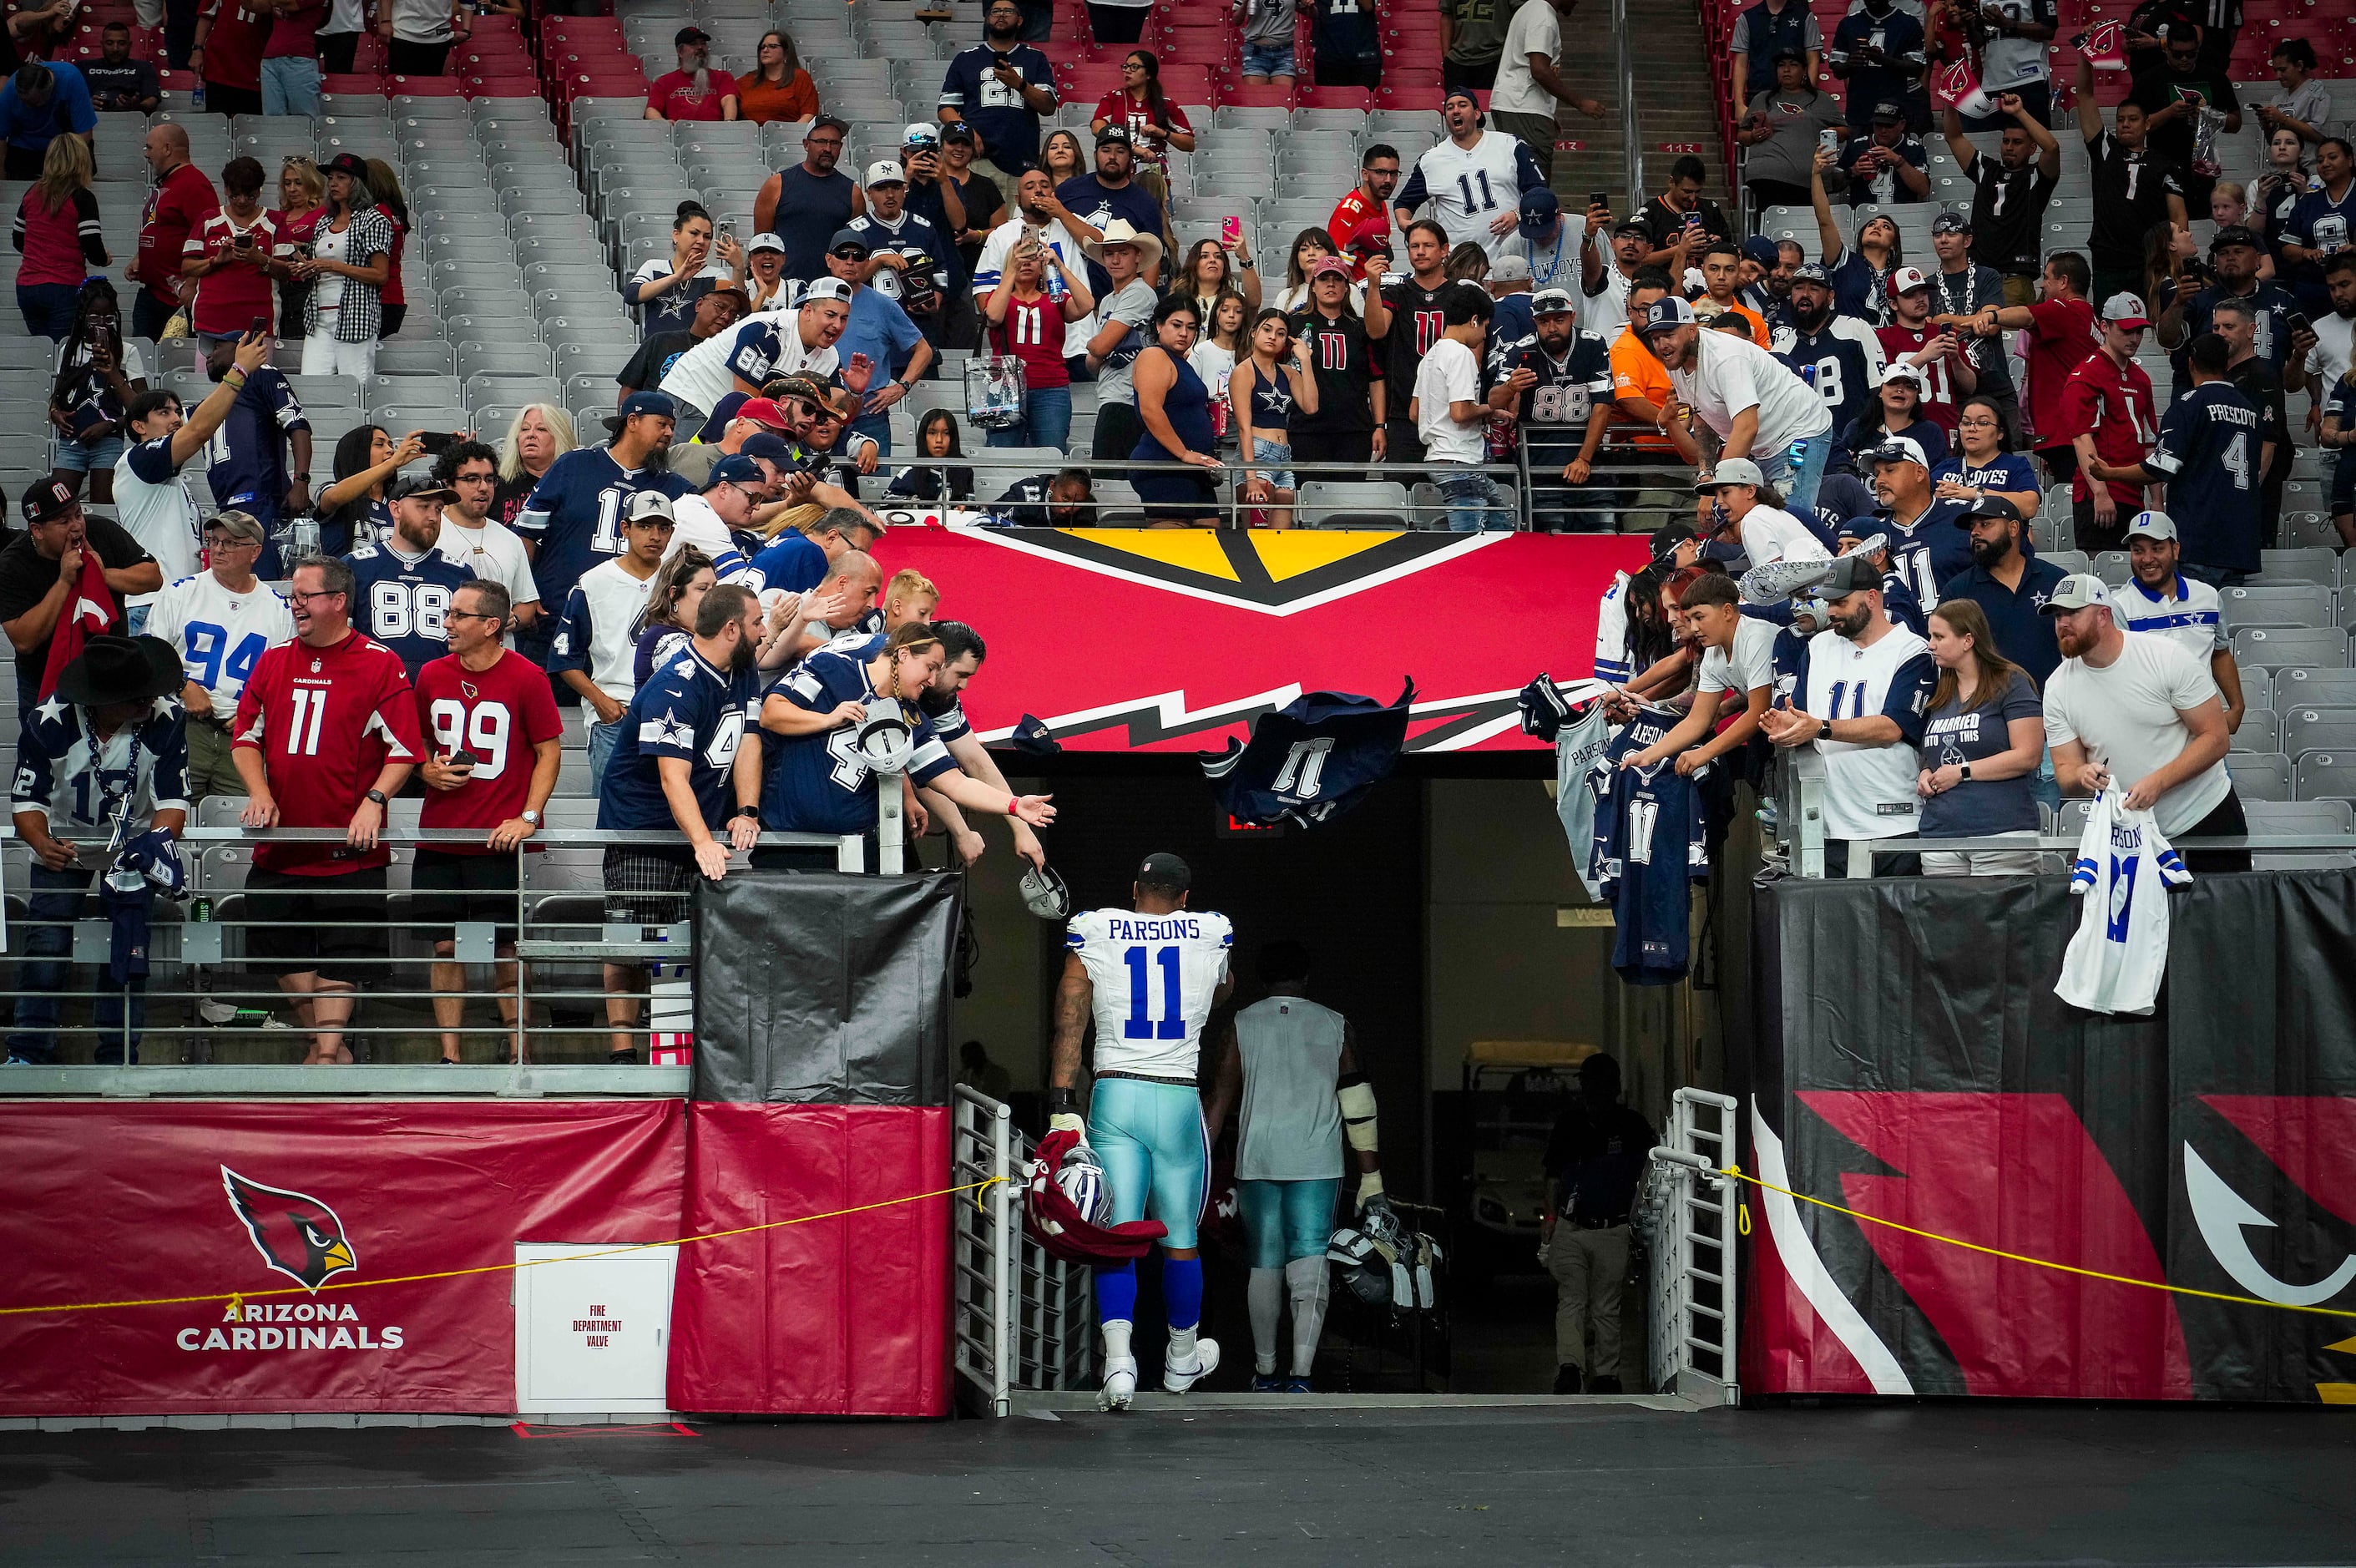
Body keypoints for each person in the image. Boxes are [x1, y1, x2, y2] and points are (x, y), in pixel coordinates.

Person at [1051, 851, 1232, 1409]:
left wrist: (1061, 1098)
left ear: (1134, 887)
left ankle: (1119, 1364)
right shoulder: (1210, 929)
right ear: (1184, 897)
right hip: (1177, 1094)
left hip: (1115, 1090)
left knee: (1121, 1232)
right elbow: (1222, 988)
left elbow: (1070, 1009)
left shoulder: (1095, 927)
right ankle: (1180, 1358)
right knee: (1181, 1239)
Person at [230, 554, 423, 1065]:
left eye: (305, 597)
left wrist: (374, 801)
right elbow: (245, 738)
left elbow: (405, 748)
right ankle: (327, 1047)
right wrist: (259, 791)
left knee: (344, 953)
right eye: (292, 597)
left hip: (350, 847)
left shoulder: (379, 663)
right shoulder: (273, 661)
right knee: (277, 951)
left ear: (338, 601)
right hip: (281, 843)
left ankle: (326, 1055)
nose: (295, 606)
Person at [1201, 939, 1384, 1393]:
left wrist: (1195, 1173)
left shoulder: (1243, 1023)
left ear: (1263, 980)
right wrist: (1372, 1176)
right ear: (1305, 978)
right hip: (1318, 1162)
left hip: (1257, 1159)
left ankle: (1265, 1372)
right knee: (1309, 1260)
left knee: (1264, 1262)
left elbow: (1217, 1106)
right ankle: (1301, 1374)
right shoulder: (1335, 1024)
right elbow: (1357, 1102)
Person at [594, 583, 767, 1059]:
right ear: (731, 629)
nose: (764, 631)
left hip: (698, 826)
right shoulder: (676, 684)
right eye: (756, 623)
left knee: (682, 945)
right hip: (642, 829)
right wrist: (702, 841)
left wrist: (747, 809)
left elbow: (748, 738)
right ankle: (622, 1051)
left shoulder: (743, 669)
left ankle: (670, 1048)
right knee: (631, 940)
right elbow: (673, 778)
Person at [5, 633, 189, 1065]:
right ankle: (29, 1052)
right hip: (62, 845)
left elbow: (173, 801)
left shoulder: (166, 717)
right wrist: (41, 842)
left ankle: (119, 1055)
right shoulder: (49, 720)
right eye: (135, 699)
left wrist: (153, 845)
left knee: (126, 949)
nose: (147, 703)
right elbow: (25, 801)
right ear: (100, 700)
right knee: (46, 946)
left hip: (134, 847)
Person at [412, 577, 561, 1064]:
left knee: (507, 950)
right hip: (440, 834)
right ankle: (449, 1055)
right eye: (449, 613)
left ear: (491, 625)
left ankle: (520, 1052)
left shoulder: (527, 676)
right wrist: (427, 769)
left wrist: (528, 816)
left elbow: (548, 752)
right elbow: (414, 747)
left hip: (498, 839)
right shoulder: (431, 673)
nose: (447, 623)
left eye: (459, 615)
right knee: (443, 947)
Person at [759, 618, 1055, 847]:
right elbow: (771, 714)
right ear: (903, 654)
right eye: (930, 667)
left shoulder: (913, 718)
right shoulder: (832, 666)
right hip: (787, 836)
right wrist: (828, 718)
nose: (933, 680)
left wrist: (1014, 805)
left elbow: (955, 783)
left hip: (854, 847)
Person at [2040, 574, 2247, 873]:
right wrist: (2082, 773)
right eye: (2057, 615)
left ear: (2103, 615)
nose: (2062, 623)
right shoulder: (2057, 686)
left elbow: (2216, 738)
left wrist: (2159, 782)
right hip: (2129, 835)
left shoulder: (2166, 656)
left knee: (2226, 919)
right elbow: (2065, 770)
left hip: (2205, 817)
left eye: (2073, 613)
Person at [1761, 554, 1939, 874]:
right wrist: (1787, 725)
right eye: (1828, 602)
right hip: (1827, 826)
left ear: (1872, 598)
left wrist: (1820, 728)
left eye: (1841, 602)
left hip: (1892, 822)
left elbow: (1892, 727)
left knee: (1893, 924)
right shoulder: (1818, 647)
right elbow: (1801, 715)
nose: (1831, 611)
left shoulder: (1912, 650)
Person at [513, 392, 692, 645]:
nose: (669, 434)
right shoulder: (574, 465)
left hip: (627, 621)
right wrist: (525, 594)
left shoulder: (674, 487)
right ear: (632, 422)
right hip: (557, 613)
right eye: (662, 424)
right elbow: (526, 533)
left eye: (672, 427)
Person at [113, 342, 270, 630]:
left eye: (176, 411)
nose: (175, 419)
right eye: (163, 413)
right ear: (138, 426)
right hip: (150, 605)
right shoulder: (135, 460)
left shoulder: (174, 485)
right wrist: (239, 370)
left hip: (178, 603)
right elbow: (198, 430)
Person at [144, 509, 291, 800]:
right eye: (214, 541)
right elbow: (148, 654)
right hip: (183, 726)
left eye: (232, 543)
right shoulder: (180, 593)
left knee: (235, 828)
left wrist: (256, 713)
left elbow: (285, 679)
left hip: (243, 736)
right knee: (173, 815)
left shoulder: (279, 610)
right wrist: (183, 687)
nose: (219, 549)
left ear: (255, 552)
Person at [1641, 296, 1834, 516]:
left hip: (1800, 432)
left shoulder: (1725, 357)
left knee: (1791, 521)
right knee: (1758, 522)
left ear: (1692, 330)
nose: (1662, 345)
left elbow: (1746, 427)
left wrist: (1714, 490)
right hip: (1762, 447)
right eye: (1655, 338)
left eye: (1668, 335)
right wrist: (1707, 477)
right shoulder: (1675, 364)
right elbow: (1703, 418)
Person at [2093, 333, 2262, 584]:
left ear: (2191, 363)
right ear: (2227, 364)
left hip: (2199, 538)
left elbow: (2159, 468)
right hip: (2240, 542)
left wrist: (2110, 474)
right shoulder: (2251, 410)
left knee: (2193, 620)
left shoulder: (2188, 405)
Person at [1539, 1052, 1656, 1394]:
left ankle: (1605, 1374)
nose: (1592, 1090)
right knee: (1574, 1300)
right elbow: (1552, 1177)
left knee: (1605, 1306)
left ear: (1614, 1087)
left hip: (1613, 1228)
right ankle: (1571, 1368)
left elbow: (1650, 1174)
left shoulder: (1632, 1127)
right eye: (1588, 1083)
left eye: (1598, 1083)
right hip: (1572, 1227)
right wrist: (1549, 1220)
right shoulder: (1569, 1125)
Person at [1914, 598, 2045, 875]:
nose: (1931, 644)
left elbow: (2029, 755)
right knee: (1944, 919)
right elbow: (1931, 751)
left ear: (1968, 640)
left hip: (2001, 832)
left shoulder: (2011, 683)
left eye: (1939, 636)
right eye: (1930, 636)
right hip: (1941, 834)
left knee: (2001, 918)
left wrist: (1962, 772)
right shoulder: (1940, 693)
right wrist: (1926, 772)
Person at [553, 491, 674, 781]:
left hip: (670, 710)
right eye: (645, 526)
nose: (654, 536)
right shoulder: (594, 581)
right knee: (611, 814)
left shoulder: (679, 580)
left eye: (663, 527)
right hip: (616, 711)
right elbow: (564, 658)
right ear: (625, 528)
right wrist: (601, 702)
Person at [1485, 286, 1612, 531]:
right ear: (1534, 322)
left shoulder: (1593, 344)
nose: (1552, 328)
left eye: (1559, 319)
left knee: (1603, 536)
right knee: (1552, 540)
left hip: (1590, 461)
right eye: (1544, 321)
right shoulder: (1521, 349)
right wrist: (1511, 386)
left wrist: (1583, 458)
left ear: (1573, 317)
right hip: (1539, 465)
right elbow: (1493, 401)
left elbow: (1602, 406)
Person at [2075, 56, 2188, 306]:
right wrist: (2086, 55)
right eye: (2120, 119)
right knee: (2108, 328)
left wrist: (2175, 260)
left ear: (2147, 124)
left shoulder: (2165, 164)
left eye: (2133, 119)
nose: (2125, 124)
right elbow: (2084, 96)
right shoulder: (2105, 150)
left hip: (2148, 261)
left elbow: (2178, 216)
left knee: (2149, 330)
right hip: (2108, 260)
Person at [1974, 250, 2096, 482]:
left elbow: (2027, 316)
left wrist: (1992, 316)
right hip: (2078, 430)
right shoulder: (2092, 319)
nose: (2042, 285)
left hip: (2067, 431)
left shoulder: (2064, 309)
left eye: (2047, 278)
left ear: (2063, 282)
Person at [344, 473, 476, 679]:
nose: (433, 517)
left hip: (441, 692)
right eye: (423, 506)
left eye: (438, 509)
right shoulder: (355, 566)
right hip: (372, 690)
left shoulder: (460, 573)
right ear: (396, 509)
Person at [2055, 294, 2160, 551]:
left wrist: (2157, 499)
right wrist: (2100, 493)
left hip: (2134, 494)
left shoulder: (2141, 379)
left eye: (2139, 331)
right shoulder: (2086, 375)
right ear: (2104, 327)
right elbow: (2082, 437)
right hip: (2101, 495)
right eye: (2126, 330)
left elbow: (2148, 442)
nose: (2134, 338)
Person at [195, 336, 311, 570]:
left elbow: (298, 426)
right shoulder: (212, 402)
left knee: (263, 584)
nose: (209, 355)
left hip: (261, 502)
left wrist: (301, 482)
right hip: (227, 509)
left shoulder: (262, 375)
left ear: (240, 347)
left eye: (217, 347)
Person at [1394, 89, 1547, 260]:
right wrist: (1404, 222)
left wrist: (1517, 215)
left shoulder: (1509, 144)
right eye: (1450, 108)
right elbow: (1404, 203)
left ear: (1477, 113)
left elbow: (1538, 191)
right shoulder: (1431, 160)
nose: (1456, 111)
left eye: (1462, 105)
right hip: (1459, 262)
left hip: (1512, 256)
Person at [1938, 491, 2066, 695]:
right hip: (1988, 712)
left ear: (2013, 528)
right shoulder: (1958, 591)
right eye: (1972, 527)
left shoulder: (2055, 580)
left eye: (1985, 524)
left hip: (2053, 707)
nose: (1975, 532)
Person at [1942, 92, 2060, 306]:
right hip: (1979, 277)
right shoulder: (1986, 170)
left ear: (2032, 148)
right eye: (2006, 141)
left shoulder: (2037, 177)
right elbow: (1954, 137)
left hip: (2014, 280)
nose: (2009, 146)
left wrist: (2019, 112)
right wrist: (1950, 101)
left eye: (2017, 142)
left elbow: (2052, 147)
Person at [983, 228, 1092, 452]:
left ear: (1042, 266)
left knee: (1051, 455)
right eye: (1021, 258)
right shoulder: (999, 296)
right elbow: (993, 316)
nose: (1026, 263)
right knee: (1002, 457)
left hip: (1051, 389)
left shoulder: (1054, 298)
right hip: (1005, 389)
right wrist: (1010, 271)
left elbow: (1086, 305)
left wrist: (1059, 266)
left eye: (1033, 258)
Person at [1408, 287, 1503, 531]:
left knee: (1502, 525)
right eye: (1485, 327)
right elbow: (1460, 413)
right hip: (1460, 462)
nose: (1484, 336)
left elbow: (1415, 413)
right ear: (1474, 320)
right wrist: (1489, 409)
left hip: (1438, 457)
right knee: (1470, 542)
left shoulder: (1430, 356)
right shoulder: (1461, 354)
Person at [291, 154, 392, 381]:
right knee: (312, 383)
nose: (333, 183)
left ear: (357, 183)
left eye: (341, 177)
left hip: (354, 314)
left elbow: (380, 274)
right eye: (330, 178)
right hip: (318, 316)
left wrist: (333, 265)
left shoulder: (373, 220)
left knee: (355, 384)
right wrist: (307, 268)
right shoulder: (325, 221)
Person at [937, 0, 1059, 185]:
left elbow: (1048, 106)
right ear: (987, 19)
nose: (1001, 15)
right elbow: (945, 108)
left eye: (1008, 11)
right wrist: (968, 132)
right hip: (978, 159)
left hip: (1021, 159)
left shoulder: (1035, 58)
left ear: (1019, 20)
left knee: (1018, 214)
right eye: (995, 11)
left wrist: (1019, 84)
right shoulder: (966, 59)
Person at [2123, 26, 2240, 217]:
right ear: (2166, 49)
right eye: (2178, 55)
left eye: (2191, 54)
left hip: (2201, 171)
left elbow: (2236, 123)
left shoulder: (2215, 77)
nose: (2185, 59)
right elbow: (2134, 127)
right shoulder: (2149, 80)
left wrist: (2210, 117)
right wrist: (2169, 113)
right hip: (2161, 169)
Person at [45, 282, 144, 507]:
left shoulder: (127, 351)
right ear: (82, 316)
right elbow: (58, 395)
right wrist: (54, 411)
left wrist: (109, 425)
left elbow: (143, 409)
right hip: (72, 441)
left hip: (108, 441)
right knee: (58, 506)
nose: (102, 324)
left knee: (104, 510)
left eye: (109, 318)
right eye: (94, 317)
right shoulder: (69, 349)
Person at [1489, 0, 1606, 185]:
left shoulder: (1531, 8)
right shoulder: (1543, 16)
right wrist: (1580, 103)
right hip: (1524, 106)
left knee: (1519, 179)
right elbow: (1540, 70)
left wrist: (1546, 112)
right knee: (1536, 184)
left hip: (1519, 105)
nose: (1577, 2)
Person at [1127, 295, 1222, 524]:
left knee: (1210, 533)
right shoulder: (1154, 355)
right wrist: (1183, 453)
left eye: (1191, 327)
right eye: (1176, 325)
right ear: (1159, 325)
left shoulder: (1182, 362)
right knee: (1172, 539)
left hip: (1194, 468)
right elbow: (1150, 409)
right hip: (1164, 464)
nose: (1184, 333)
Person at [1287, 255, 1384, 473]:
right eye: (1323, 279)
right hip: (1306, 430)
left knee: (1348, 500)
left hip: (1354, 431)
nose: (1330, 284)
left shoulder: (1361, 328)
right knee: (1309, 498)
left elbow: (1376, 379)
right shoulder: (1295, 324)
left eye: (1337, 279)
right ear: (1312, 287)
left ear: (1347, 288)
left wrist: (1379, 426)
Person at [848, 161, 955, 356]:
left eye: (896, 187)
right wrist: (879, 262)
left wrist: (935, 299)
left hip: (918, 328)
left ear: (905, 190)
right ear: (869, 193)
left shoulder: (923, 228)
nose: (890, 195)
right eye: (881, 188)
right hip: (871, 329)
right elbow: (846, 279)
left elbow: (940, 270)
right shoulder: (855, 231)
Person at [1772, 261, 1888, 438]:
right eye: (1799, 288)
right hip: (1804, 447)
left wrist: (1860, 437)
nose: (1805, 294)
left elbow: (1879, 389)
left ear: (1830, 296)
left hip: (1855, 444)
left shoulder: (1856, 330)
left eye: (1814, 289)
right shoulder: (1780, 350)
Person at [1080, 220, 1164, 462]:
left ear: (1138, 256)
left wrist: (1095, 345)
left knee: (1111, 479)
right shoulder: (1107, 301)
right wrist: (1098, 349)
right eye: (1109, 254)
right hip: (1111, 395)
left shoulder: (1139, 292)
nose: (1115, 260)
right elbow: (1092, 363)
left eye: (1123, 253)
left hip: (1127, 398)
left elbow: (1099, 348)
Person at [11, 135, 105, 340]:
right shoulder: (83, 198)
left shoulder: (31, 193)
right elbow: (93, 247)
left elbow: (19, 240)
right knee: (62, 353)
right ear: (82, 161)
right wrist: (105, 259)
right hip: (64, 286)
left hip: (27, 286)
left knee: (44, 350)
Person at [1231, 309, 1317, 530]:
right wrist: (1250, 476)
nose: (1273, 337)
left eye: (1280, 333)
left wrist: (1305, 360)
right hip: (1257, 454)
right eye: (1267, 330)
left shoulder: (1288, 373)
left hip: (1284, 456)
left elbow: (1311, 406)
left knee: (1281, 537)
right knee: (1258, 534)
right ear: (1253, 332)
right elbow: (1243, 427)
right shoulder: (1244, 371)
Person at [751, 114, 862, 287]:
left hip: (831, 289)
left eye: (834, 143)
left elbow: (856, 247)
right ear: (806, 144)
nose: (828, 148)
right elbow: (761, 242)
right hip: (785, 289)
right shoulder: (777, 185)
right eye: (821, 141)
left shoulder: (852, 192)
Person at [180, 156, 280, 348]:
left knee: (258, 378)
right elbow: (187, 267)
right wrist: (216, 261)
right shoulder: (208, 219)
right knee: (208, 378)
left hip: (258, 325)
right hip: (211, 324)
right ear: (226, 189)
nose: (242, 201)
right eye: (235, 195)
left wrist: (260, 260)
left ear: (259, 190)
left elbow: (287, 271)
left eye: (249, 195)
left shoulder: (274, 221)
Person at [130, 124, 215, 343]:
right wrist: (141, 257)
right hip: (153, 293)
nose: (147, 154)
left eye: (150, 148)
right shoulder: (168, 182)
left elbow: (209, 239)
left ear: (167, 149)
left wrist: (192, 284)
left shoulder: (195, 185)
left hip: (177, 299)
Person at [1738, 48, 1847, 214]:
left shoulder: (1820, 99)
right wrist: (1753, 135)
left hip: (1809, 179)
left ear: (1804, 70)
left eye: (1793, 65)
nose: (1786, 70)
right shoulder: (1763, 98)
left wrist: (1832, 132)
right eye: (1781, 65)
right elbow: (1742, 136)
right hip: (1767, 175)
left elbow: (1845, 131)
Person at [618, 286, 746, 406]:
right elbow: (629, 388)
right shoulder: (661, 341)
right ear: (699, 305)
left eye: (734, 314)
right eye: (720, 307)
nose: (726, 317)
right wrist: (624, 426)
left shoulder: (729, 354)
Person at [1091, 49, 1195, 196]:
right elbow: (1097, 128)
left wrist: (1163, 133)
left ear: (1149, 74)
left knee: (1158, 217)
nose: (1127, 71)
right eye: (1125, 67)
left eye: (1134, 67)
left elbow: (1189, 144)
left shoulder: (1166, 104)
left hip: (1154, 178)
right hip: (1118, 176)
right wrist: (1132, 147)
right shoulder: (1115, 98)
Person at [627, 201, 734, 339]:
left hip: (696, 353)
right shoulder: (653, 267)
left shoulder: (715, 275)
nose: (701, 241)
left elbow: (731, 309)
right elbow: (631, 295)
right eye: (694, 233)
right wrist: (675, 278)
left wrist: (738, 268)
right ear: (676, 235)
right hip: (656, 352)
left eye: (707, 237)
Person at [315, 424, 418, 555]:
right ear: (357, 453)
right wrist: (391, 463)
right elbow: (333, 498)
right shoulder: (330, 490)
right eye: (380, 444)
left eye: (391, 445)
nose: (390, 451)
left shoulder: (397, 504)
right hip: (343, 575)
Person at [1828, 0, 1927, 132]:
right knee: (1859, 151)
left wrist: (1883, 60)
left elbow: (1917, 69)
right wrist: (1850, 64)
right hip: (1859, 110)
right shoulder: (1849, 23)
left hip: (1895, 110)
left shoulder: (1908, 23)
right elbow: (1838, 71)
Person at [1934, 395, 2041, 518]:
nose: (1972, 429)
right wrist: (1934, 501)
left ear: (2000, 433)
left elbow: (2029, 507)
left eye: (1982, 423)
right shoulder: (1943, 468)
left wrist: (1976, 493)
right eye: (1966, 423)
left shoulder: (2015, 465)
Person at [2279, 137, 2354, 310]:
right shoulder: (2308, 202)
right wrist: (2306, 252)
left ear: (2349, 160)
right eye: (2320, 160)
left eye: (2332, 157)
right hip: (2312, 288)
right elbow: (2287, 248)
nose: (2325, 164)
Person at [0, 61, 94, 182]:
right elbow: (1, 139)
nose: (28, 107)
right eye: (24, 102)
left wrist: (71, 169)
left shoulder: (71, 79)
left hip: (65, 147)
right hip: (24, 149)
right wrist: (2, 180)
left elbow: (84, 133)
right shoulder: (10, 91)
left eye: (34, 103)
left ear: (50, 91)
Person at [1729, 0, 1822, 119]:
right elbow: (1740, 63)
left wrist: (1808, 98)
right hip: (1757, 95)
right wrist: (1739, 105)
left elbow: (1813, 60)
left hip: (1796, 98)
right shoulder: (1747, 18)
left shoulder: (1805, 16)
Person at [1838, 99, 1931, 208]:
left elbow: (1924, 190)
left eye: (1889, 126)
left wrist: (1899, 162)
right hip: (1863, 214)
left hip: (1903, 212)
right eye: (1878, 125)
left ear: (1902, 124)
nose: (1883, 130)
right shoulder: (1857, 146)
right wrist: (1852, 172)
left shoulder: (1914, 149)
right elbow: (1833, 185)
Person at [1327, 145, 1402, 269]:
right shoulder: (1348, 213)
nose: (1388, 180)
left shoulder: (1380, 202)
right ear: (1365, 174)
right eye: (1381, 172)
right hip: (1360, 287)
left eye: (1393, 173)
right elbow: (1336, 267)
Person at [644, 26, 737, 123]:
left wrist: (729, 123)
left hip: (716, 134)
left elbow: (728, 100)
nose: (700, 47)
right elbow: (651, 110)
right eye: (693, 44)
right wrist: (663, 123)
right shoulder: (664, 82)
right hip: (680, 135)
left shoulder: (723, 77)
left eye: (703, 43)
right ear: (680, 52)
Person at [2255, 38, 2334, 151]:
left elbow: (2320, 137)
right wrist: (2268, 127)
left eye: (2283, 70)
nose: (2278, 75)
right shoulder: (2277, 99)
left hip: (2309, 163)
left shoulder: (2317, 93)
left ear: (2299, 66)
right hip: (2284, 164)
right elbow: (2273, 142)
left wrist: (2283, 119)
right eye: (2275, 70)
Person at [889, 411, 978, 508]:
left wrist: (964, 508)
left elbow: (972, 507)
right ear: (923, 437)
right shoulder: (910, 472)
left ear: (953, 438)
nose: (939, 440)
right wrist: (911, 503)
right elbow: (885, 502)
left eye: (946, 433)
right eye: (932, 433)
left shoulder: (964, 469)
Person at [259, 0, 325, 118]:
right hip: (270, 59)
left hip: (299, 60)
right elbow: (252, 5)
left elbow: (290, 4)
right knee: (272, 122)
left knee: (304, 122)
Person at [736, 29, 817, 125]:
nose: (765, 50)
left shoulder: (800, 77)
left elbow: (808, 114)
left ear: (786, 53)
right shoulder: (745, 81)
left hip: (790, 136)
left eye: (772, 46)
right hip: (749, 137)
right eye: (762, 47)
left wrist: (793, 134)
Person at [83, 23, 161, 114]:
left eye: (121, 43)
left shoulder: (144, 67)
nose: (115, 49)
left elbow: (152, 100)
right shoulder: (84, 67)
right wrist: (85, 104)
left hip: (131, 120)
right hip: (90, 119)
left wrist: (136, 107)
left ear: (130, 45)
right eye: (109, 43)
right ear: (102, 44)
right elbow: (69, 98)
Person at [378, 0, 468, 78]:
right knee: (402, 87)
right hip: (403, 34)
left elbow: (468, 2)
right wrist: (386, 21)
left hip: (438, 38)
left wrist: (466, 30)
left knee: (429, 88)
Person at [1304, 0, 1382, 89]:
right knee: (1331, 101)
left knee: (1363, 100)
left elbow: (1368, 6)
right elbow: (1304, 7)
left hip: (1364, 57)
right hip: (1329, 56)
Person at [1237, 0, 1298, 86]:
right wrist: (1244, 5)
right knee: (1256, 95)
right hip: (1256, 51)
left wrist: (1309, 6)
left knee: (1283, 95)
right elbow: (1236, 21)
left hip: (1284, 52)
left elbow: (1312, 13)